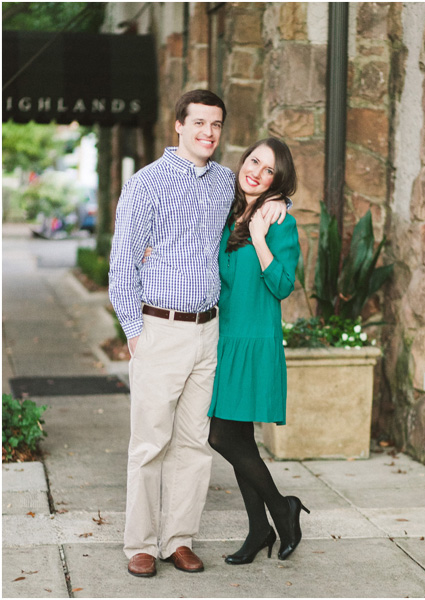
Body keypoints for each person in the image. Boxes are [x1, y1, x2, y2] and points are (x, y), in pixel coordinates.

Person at [109, 90, 287, 578]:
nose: (209, 133)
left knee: (192, 443)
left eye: (216, 125)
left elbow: (261, 195)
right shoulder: (146, 184)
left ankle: (178, 539)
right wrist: (134, 331)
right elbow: (122, 262)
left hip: (209, 331)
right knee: (150, 444)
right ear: (179, 126)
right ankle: (141, 545)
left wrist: (280, 204)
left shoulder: (224, 185)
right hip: (159, 329)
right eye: (200, 123)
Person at [206, 137, 309, 565]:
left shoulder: (278, 220)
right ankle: (259, 529)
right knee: (239, 439)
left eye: (269, 171)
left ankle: (281, 510)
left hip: (255, 340)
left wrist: (261, 236)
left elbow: (283, 285)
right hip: (224, 337)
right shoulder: (227, 211)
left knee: (222, 435)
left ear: (277, 181)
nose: (257, 173)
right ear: (243, 161)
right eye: (254, 162)